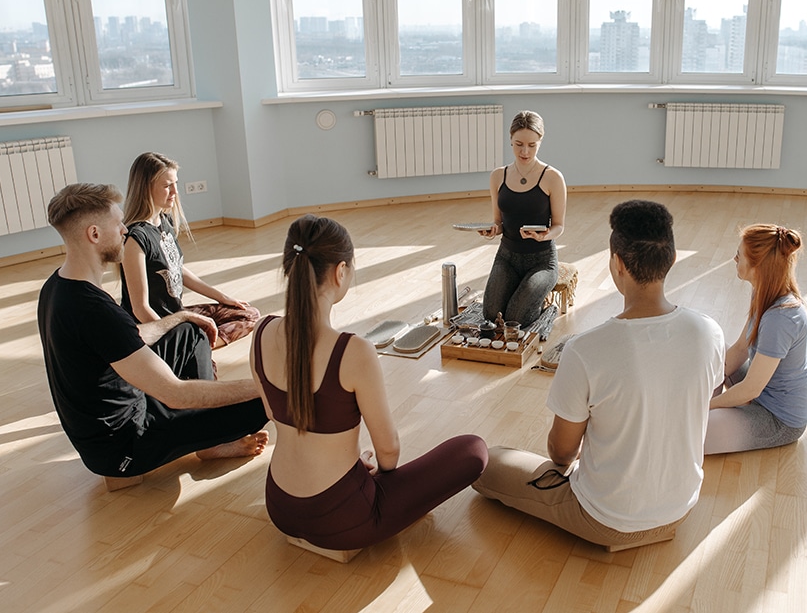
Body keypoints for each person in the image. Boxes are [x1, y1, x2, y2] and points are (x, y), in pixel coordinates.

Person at [473, 200, 724, 550]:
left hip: (605, 519)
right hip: (681, 506)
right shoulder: (709, 331)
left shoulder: (586, 349)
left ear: (617, 264)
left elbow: (562, 454)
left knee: (483, 462)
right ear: (672, 258)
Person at [252, 214, 488, 551]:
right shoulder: (353, 351)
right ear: (340, 271)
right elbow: (388, 452)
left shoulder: (261, 332)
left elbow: (278, 416)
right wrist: (365, 473)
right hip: (343, 520)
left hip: (281, 507)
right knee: (473, 450)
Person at [37, 183, 269, 490]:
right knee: (274, 399)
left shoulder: (58, 287)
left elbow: (126, 337)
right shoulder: (95, 311)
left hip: (112, 424)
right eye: (118, 224)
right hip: (125, 446)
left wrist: (182, 316)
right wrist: (267, 384)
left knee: (189, 332)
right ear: (94, 235)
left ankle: (209, 442)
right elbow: (176, 394)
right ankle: (191, 445)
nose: (125, 230)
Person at [120, 151, 259, 348]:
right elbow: (140, 309)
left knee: (248, 314)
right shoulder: (135, 239)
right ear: (145, 188)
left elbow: (177, 269)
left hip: (177, 314)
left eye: (175, 183)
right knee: (205, 371)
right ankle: (193, 347)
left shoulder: (164, 221)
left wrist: (222, 297)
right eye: (167, 186)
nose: (175, 192)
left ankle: (198, 346)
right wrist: (176, 335)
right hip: (154, 326)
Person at [704, 224, 807, 454]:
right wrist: (702, 397)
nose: (734, 258)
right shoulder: (763, 291)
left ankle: (705, 414)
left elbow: (750, 389)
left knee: (691, 436)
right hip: (759, 390)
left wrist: (706, 407)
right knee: (715, 349)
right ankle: (705, 411)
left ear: (757, 266)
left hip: (778, 419)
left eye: (739, 254)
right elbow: (742, 348)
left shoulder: (782, 318)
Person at [479, 110, 567, 326]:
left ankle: (545, 308)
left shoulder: (553, 177)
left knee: (515, 320)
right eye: (519, 144)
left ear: (540, 142)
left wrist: (545, 235)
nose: (525, 151)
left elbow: (559, 226)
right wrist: (493, 229)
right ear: (510, 140)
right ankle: (522, 290)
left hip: (541, 261)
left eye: (532, 145)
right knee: (490, 315)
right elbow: (499, 221)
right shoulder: (498, 176)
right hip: (506, 257)